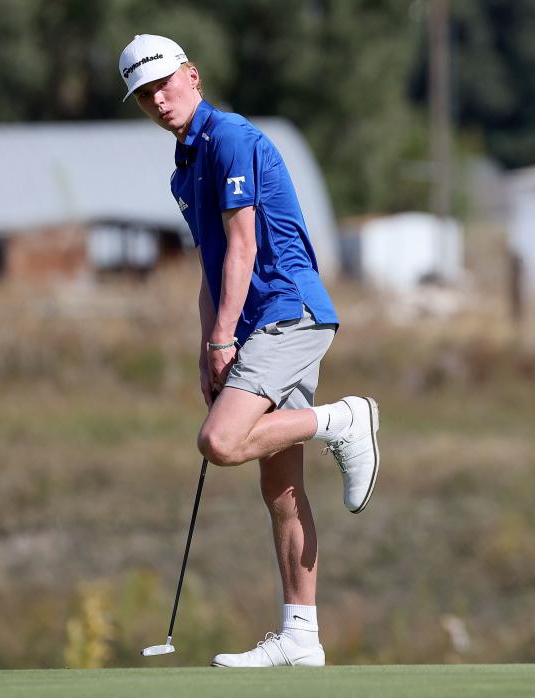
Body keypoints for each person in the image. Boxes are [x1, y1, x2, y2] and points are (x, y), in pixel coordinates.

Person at [119, 34, 380, 668]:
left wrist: (222, 338)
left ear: (193, 76)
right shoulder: (185, 167)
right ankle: (301, 636)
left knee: (221, 442)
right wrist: (205, 347)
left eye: (164, 82)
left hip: (289, 312)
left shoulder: (230, 137)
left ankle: (345, 419)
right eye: (144, 93)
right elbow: (212, 268)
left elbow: (244, 249)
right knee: (281, 488)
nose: (158, 98)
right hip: (257, 323)